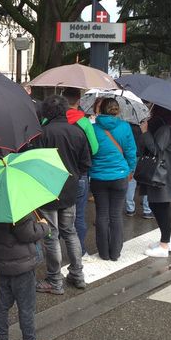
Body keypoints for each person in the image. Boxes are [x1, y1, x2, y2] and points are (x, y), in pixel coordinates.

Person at [31, 95, 91, 295]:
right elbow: (85, 163)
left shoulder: (43, 133)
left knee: (51, 235)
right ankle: (77, 274)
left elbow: (35, 163)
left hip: (48, 189)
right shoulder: (78, 131)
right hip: (71, 187)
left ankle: (55, 280)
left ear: (47, 112)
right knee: (70, 231)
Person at [0, 214, 56, 340]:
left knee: (2, 306)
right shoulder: (18, 211)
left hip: (4, 267)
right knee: (26, 309)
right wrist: (43, 226)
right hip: (23, 269)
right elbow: (28, 234)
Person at [90, 97, 137, 261]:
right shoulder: (125, 127)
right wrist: (131, 170)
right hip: (120, 175)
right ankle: (115, 252)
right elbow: (131, 151)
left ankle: (103, 252)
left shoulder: (93, 128)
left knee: (102, 214)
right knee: (116, 215)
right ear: (117, 110)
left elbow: (90, 151)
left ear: (100, 110)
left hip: (97, 176)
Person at [140, 106, 171, 258]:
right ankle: (165, 241)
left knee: (161, 207)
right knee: (159, 206)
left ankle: (164, 244)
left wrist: (145, 132)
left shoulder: (165, 129)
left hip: (161, 175)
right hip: (169, 173)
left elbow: (155, 149)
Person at [63, 87, 99, 258]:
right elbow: (94, 148)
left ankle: (54, 251)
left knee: (53, 215)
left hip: (55, 173)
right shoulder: (84, 122)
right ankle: (80, 252)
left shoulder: (50, 120)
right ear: (78, 101)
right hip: (79, 173)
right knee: (78, 215)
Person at [125, 121, 153, 219]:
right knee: (146, 182)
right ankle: (147, 210)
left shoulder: (127, 127)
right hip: (144, 157)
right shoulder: (144, 127)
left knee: (131, 182)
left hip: (131, 156)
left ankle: (130, 209)